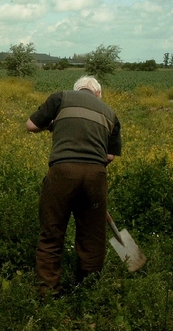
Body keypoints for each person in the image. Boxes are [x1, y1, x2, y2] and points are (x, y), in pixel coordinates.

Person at [26, 75, 122, 297]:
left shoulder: (61, 98)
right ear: (97, 93)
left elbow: (30, 125)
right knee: (93, 235)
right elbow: (109, 156)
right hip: (95, 176)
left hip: (62, 172)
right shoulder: (110, 113)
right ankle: (87, 290)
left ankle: (49, 291)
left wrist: (52, 125)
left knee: (52, 231)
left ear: (77, 89)